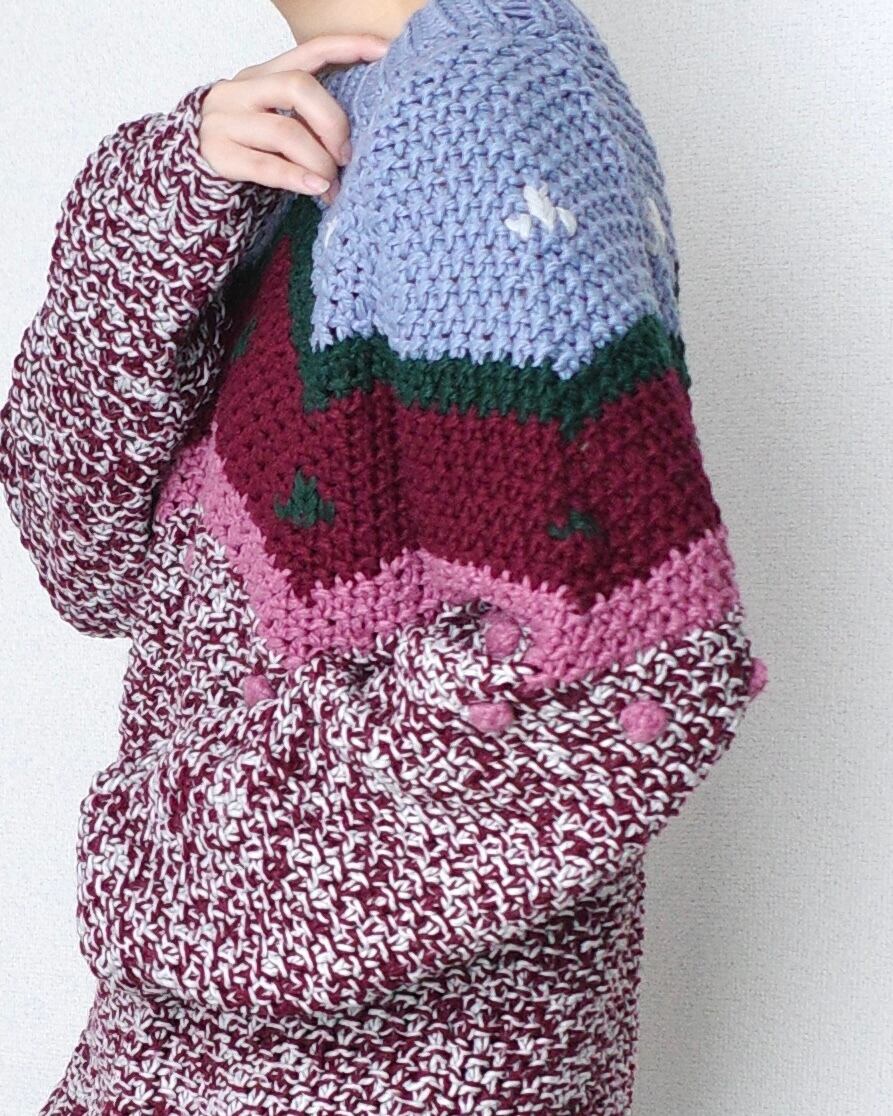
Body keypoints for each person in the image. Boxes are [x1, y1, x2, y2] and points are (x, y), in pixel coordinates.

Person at [0, 0, 769, 1112]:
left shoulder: (476, 100)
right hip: (254, 1047)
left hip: (367, 1070)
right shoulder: (334, 118)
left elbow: (615, 674)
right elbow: (91, 560)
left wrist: (167, 864)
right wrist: (162, 207)